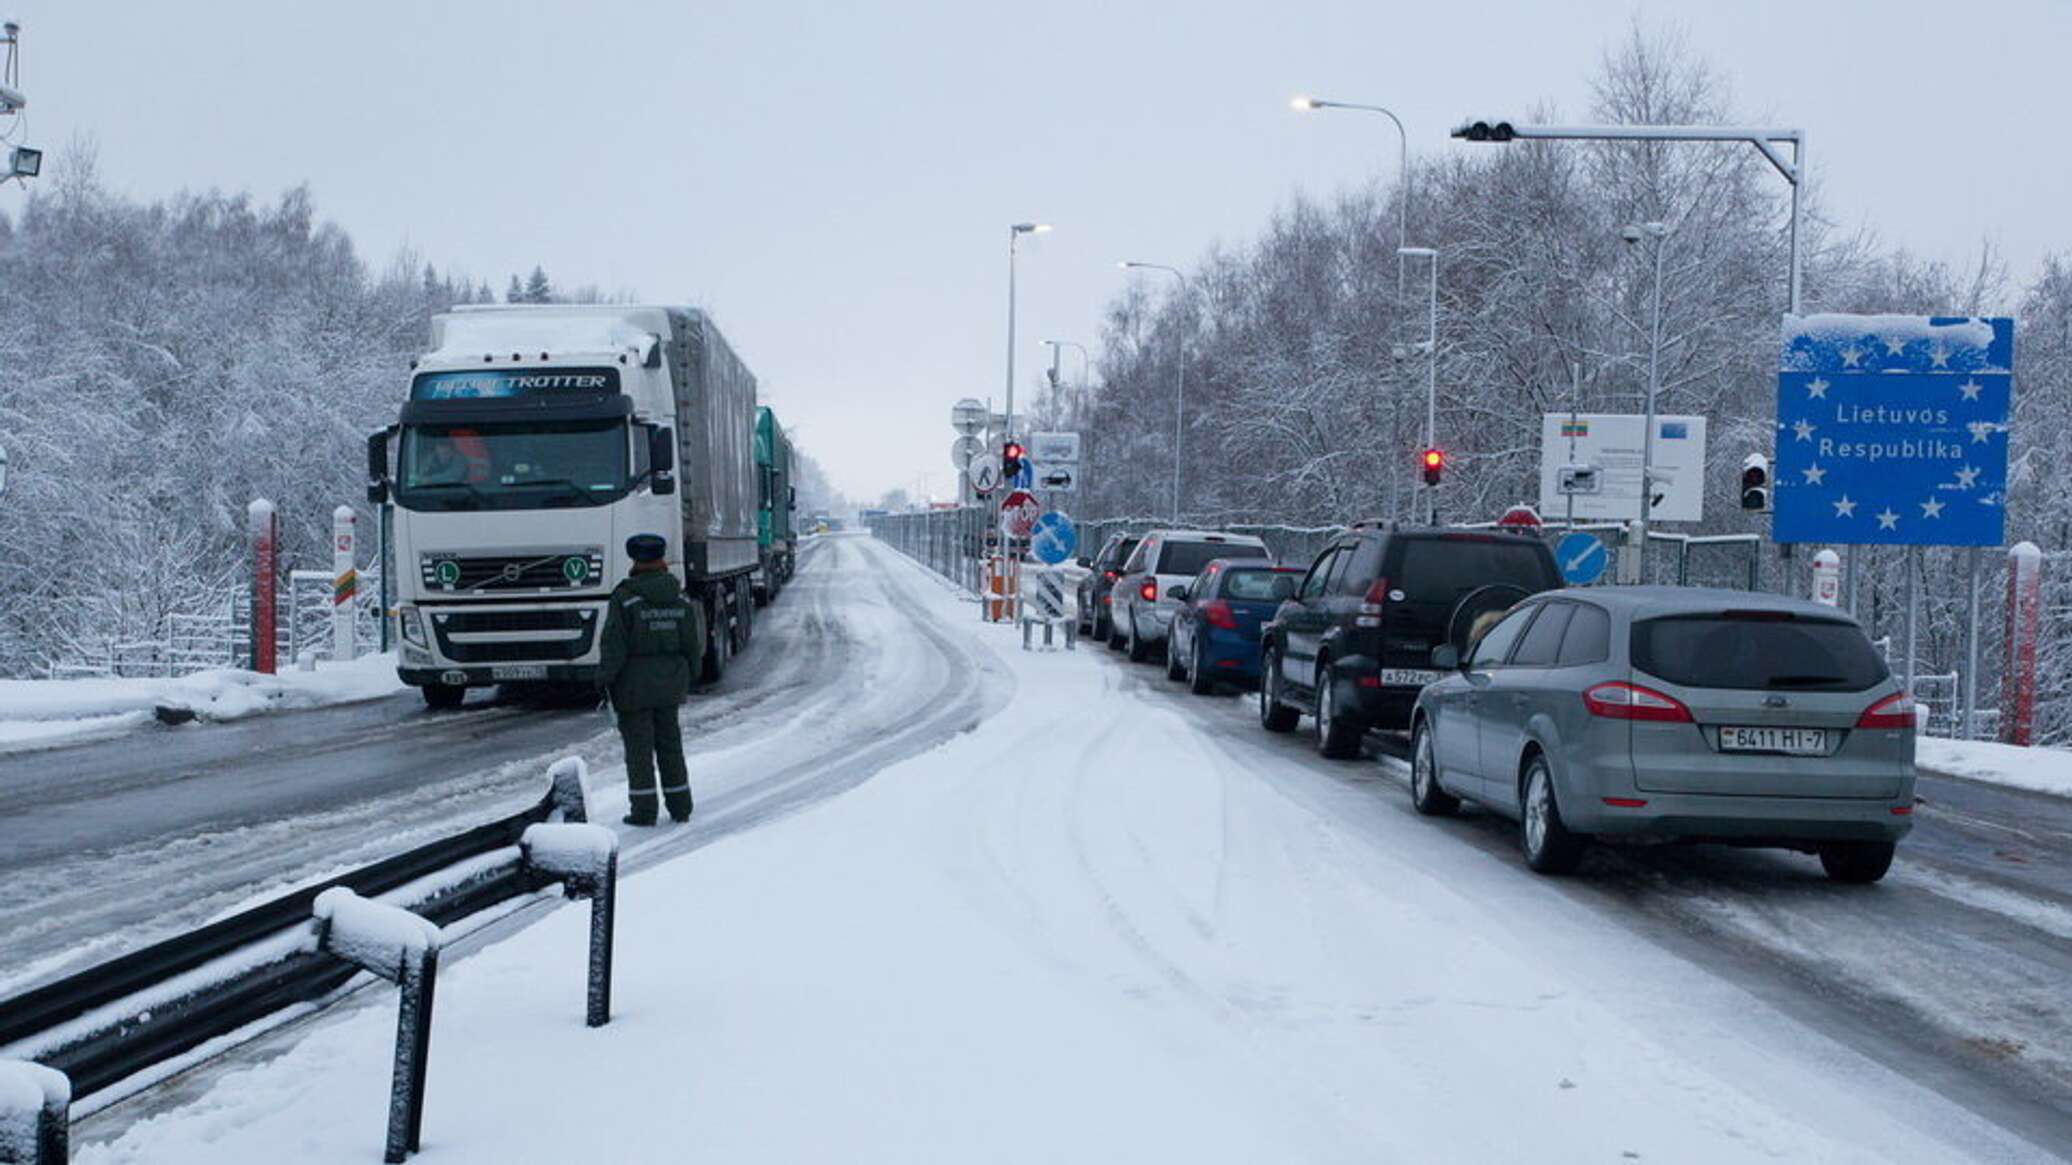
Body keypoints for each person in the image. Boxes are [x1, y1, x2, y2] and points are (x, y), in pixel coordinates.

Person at [597, 534, 706, 825]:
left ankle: (644, 811)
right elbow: (692, 642)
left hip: (633, 686)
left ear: (635, 560)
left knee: (639, 750)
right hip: (670, 683)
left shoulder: (626, 597)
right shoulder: (680, 597)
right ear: (662, 560)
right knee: (671, 745)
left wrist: (603, 679)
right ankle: (681, 806)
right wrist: (692, 674)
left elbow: (614, 644)